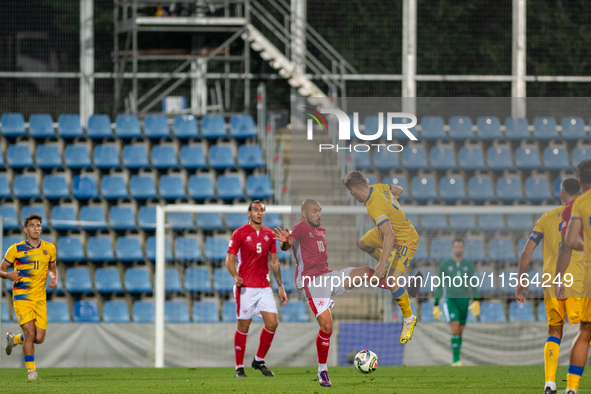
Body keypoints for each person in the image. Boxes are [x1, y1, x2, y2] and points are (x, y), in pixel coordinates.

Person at [273, 199, 373, 387]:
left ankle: (397, 284)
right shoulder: (300, 228)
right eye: (314, 211)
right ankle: (322, 371)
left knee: (366, 272)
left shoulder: (321, 230)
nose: (318, 214)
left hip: (328, 276)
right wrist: (285, 242)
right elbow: (287, 245)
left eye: (319, 211)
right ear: (304, 214)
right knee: (327, 326)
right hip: (312, 282)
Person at [514, 178, 583, 394]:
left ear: (561, 195)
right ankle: (571, 387)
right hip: (579, 282)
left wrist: (521, 279)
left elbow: (527, 250)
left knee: (554, 331)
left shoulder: (546, 218)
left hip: (552, 282)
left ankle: (550, 384)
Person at [341, 170, 419, 344]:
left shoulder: (374, 207)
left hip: (405, 239)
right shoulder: (378, 188)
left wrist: (381, 265)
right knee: (362, 243)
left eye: (351, 193)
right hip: (386, 233)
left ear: (353, 191)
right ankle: (390, 264)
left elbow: (390, 235)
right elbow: (398, 190)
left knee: (391, 282)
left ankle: (409, 319)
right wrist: (392, 209)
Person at [226, 200, 288, 378]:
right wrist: (235, 276)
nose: (259, 213)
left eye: (262, 210)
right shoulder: (239, 233)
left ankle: (258, 360)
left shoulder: (269, 234)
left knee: (272, 323)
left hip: (264, 287)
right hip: (245, 288)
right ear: (249, 213)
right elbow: (229, 260)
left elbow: (274, 261)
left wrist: (281, 287)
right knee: (244, 326)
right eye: (255, 210)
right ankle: (239, 367)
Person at [1, 214, 58, 380]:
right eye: (32, 225)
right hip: (22, 297)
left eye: (39, 225)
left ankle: (14, 339)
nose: (36, 228)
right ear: (26, 229)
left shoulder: (50, 248)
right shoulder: (15, 249)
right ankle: (32, 372)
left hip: (40, 299)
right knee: (30, 333)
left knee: (39, 339)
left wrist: (53, 279)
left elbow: (52, 268)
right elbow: (1, 269)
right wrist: (8, 275)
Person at [554, 160, 591, 394]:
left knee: (585, 330)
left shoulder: (578, 204)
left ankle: (571, 389)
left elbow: (568, 243)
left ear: (579, 182)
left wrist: (559, 277)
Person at [433, 238, 480, 367]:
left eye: (460, 247)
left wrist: (477, 300)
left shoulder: (469, 265)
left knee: (460, 330)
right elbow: (440, 284)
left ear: (463, 249)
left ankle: (457, 358)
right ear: (453, 249)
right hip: (450, 301)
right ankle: (455, 360)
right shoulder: (445, 264)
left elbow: (473, 284)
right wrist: (436, 304)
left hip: (464, 301)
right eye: (456, 247)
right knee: (454, 327)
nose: (458, 249)